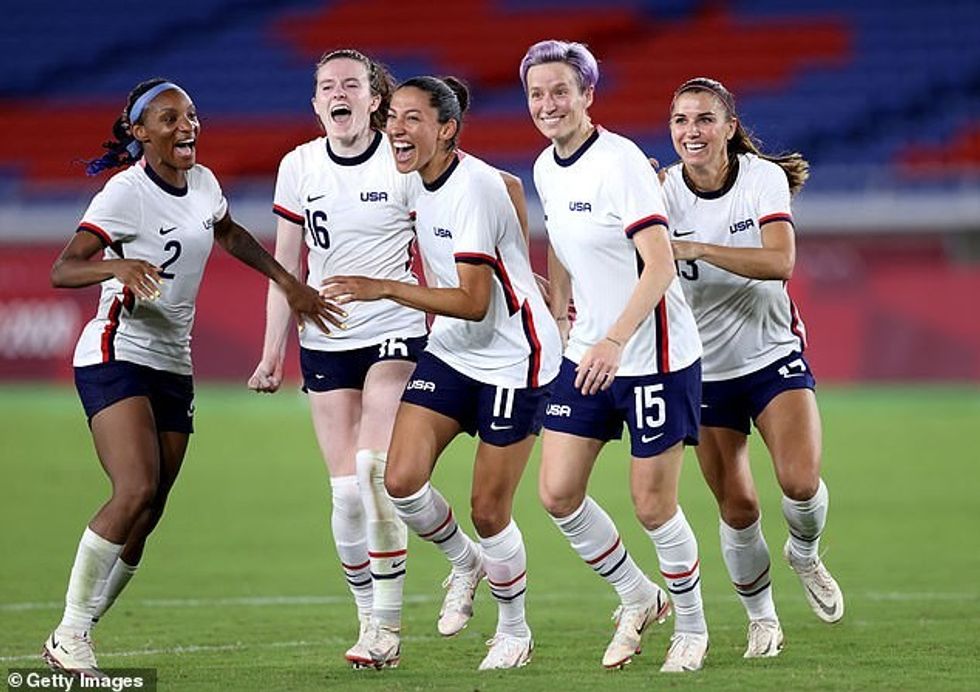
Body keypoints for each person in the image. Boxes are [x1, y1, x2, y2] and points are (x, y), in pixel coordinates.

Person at [42, 78, 338, 677]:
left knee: (150, 511)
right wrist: (116, 264)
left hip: (172, 362)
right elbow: (62, 269)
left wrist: (291, 284)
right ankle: (69, 635)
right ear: (140, 133)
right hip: (116, 349)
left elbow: (227, 232)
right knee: (135, 490)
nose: (187, 127)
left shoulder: (202, 183)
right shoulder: (124, 194)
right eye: (171, 119)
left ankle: (82, 626)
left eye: (192, 116)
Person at [322, 75, 561, 671]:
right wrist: (524, 266)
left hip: (514, 357)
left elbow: (475, 300)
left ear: (446, 130)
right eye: (393, 116)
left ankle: (514, 630)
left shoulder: (471, 190)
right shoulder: (417, 178)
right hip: (455, 350)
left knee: (489, 510)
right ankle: (464, 560)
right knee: (399, 480)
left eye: (411, 119)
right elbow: (510, 184)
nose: (395, 129)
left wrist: (383, 288)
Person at [521, 40, 709, 673]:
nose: (547, 104)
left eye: (559, 91)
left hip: (652, 353)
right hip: (588, 353)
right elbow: (562, 240)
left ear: (587, 95)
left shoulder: (621, 161)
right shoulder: (546, 166)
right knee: (557, 493)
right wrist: (562, 309)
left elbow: (658, 266)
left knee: (653, 506)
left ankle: (692, 625)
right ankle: (638, 596)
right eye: (536, 93)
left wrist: (614, 338)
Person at [247, 49, 425, 670]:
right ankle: (371, 614)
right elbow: (284, 268)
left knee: (374, 470)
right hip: (324, 339)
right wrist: (272, 353)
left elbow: (446, 234)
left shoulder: (402, 160)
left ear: (375, 99)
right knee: (347, 494)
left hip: (395, 330)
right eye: (328, 86)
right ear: (316, 103)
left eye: (352, 83)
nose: (339, 93)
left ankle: (387, 627)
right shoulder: (298, 165)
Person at [661, 76, 844, 658]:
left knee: (799, 482)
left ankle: (805, 553)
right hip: (703, 370)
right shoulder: (659, 190)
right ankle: (762, 619)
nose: (692, 131)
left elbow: (780, 261)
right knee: (737, 508)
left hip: (770, 357)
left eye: (705, 119)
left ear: (729, 128)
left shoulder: (760, 178)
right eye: (682, 120)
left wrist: (696, 248)